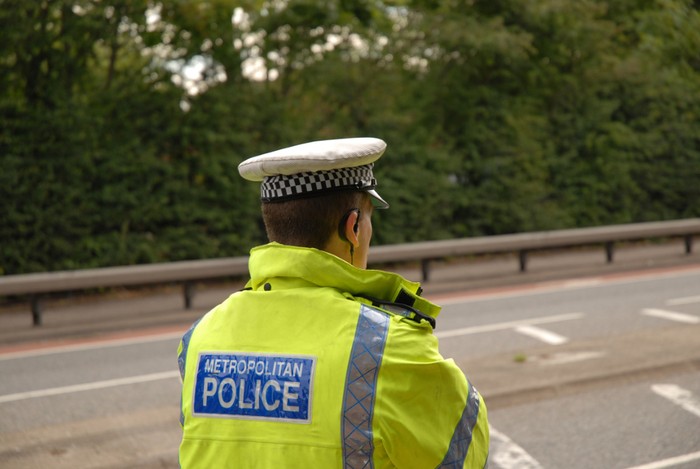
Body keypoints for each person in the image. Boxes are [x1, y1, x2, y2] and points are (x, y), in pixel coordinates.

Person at [177, 137, 490, 468]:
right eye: (369, 220)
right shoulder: (388, 346)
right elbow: (466, 456)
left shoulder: (199, 337)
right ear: (352, 228)